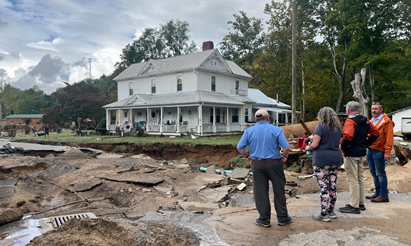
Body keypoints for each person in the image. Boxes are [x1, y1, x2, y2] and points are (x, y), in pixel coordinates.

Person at [237, 109, 292, 227]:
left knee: (260, 192)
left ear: (256, 119)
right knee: (279, 190)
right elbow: (286, 147)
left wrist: (248, 157)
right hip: (274, 163)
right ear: (268, 118)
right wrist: (284, 157)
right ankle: (282, 218)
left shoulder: (249, 131)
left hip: (257, 164)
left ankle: (264, 220)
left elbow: (240, 147)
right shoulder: (276, 130)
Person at [339, 101, 379, 214]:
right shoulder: (366, 120)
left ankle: (354, 205)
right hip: (361, 152)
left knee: (352, 179)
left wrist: (344, 147)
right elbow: (376, 133)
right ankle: (360, 203)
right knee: (360, 177)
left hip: (351, 152)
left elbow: (348, 135)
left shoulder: (350, 121)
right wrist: (365, 144)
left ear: (348, 110)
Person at [305, 107, 343, 222]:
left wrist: (308, 147)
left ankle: (324, 213)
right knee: (332, 185)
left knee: (324, 187)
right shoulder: (338, 128)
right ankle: (331, 210)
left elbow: (315, 144)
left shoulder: (320, 127)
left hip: (322, 160)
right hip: (336, 159)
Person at [366, 102, 394, 203]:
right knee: (373, 172)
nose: (374, 111)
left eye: (376, 109)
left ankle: (384, 195)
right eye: (372, 109)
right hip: (371, 149)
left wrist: (387, 151)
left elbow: (389, 137)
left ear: (381, 110)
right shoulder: (371, 120)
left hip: (380, 150)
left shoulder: (387, 122)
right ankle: (377, 192)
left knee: (380, 173)